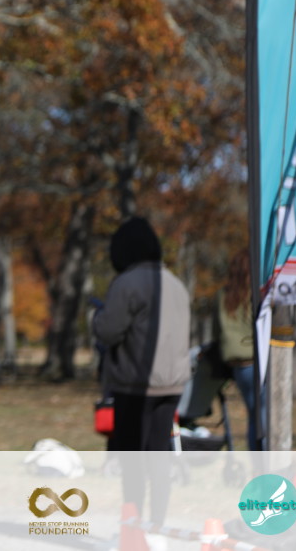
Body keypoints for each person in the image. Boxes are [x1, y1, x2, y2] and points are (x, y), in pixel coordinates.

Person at [92, 216, 191, 530]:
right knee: (159, 455)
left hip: (136, 383)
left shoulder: (127, 283)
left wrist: (95, 317)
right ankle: (157, 524)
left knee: (132, 460)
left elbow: (108, 331)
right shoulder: (174, 283)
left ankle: (132, 528)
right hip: (172, 384)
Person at [216, 247, 263, 450]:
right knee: (262, 416)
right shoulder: (255, 295)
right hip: (255, 361)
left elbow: (217, 331)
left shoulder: (223, 295)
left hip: (237, 365)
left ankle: (257, 458)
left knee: (254, 416)